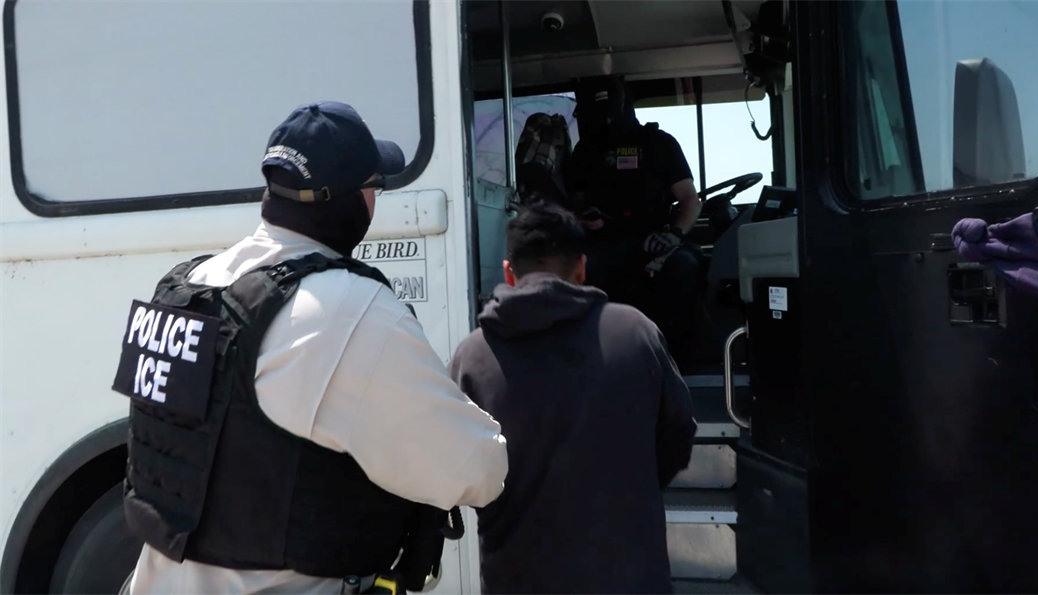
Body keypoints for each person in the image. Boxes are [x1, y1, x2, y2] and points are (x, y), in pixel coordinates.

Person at [112, 101, 508, 595]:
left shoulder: (186, 287)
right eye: (374, 187)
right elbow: (474, 469)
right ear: (351, 200)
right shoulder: (351, 311)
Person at [448, 201, 698, 595]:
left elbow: (457, 469)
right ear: (581, 268)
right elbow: (677, 434)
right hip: (631, 576)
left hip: (516, 577)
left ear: (509, 272)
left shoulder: (473, 356)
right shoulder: (636, 333)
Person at [565, 76, 705, 362]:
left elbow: (690, 201)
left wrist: (674, 235)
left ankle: (671, 360)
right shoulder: (585, 150)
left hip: (656, 240)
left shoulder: (660, 143)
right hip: (602, 243)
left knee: (684, 265)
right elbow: (574, 207)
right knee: (579, 270)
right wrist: (582, 218)